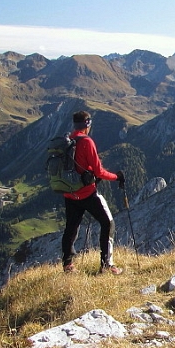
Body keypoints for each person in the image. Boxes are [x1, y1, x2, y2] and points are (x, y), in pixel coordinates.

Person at [61, 111, 125, 275]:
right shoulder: (86, 142)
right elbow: (99, 171)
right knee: (107, 223)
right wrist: (116, 177)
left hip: (69, 193)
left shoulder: (67, 140)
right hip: (87, 193)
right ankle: (107, 265)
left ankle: (68, 265)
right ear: (87, 124)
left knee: (71, 227)